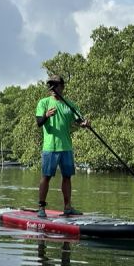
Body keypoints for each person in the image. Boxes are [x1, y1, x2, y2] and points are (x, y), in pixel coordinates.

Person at [35, 73, 89, 217]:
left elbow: (80, 120)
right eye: (50, 85)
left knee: (67, 177)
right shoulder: (43, 103)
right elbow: (39, 123)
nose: (52, 88)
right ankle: (41, 208)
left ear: (62, 87)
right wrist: (46, 115)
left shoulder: (70, 105)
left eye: (55, 85)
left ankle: (68, 207)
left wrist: (84, 123)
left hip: (66, 147)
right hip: (50, 148)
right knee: (46, 177)